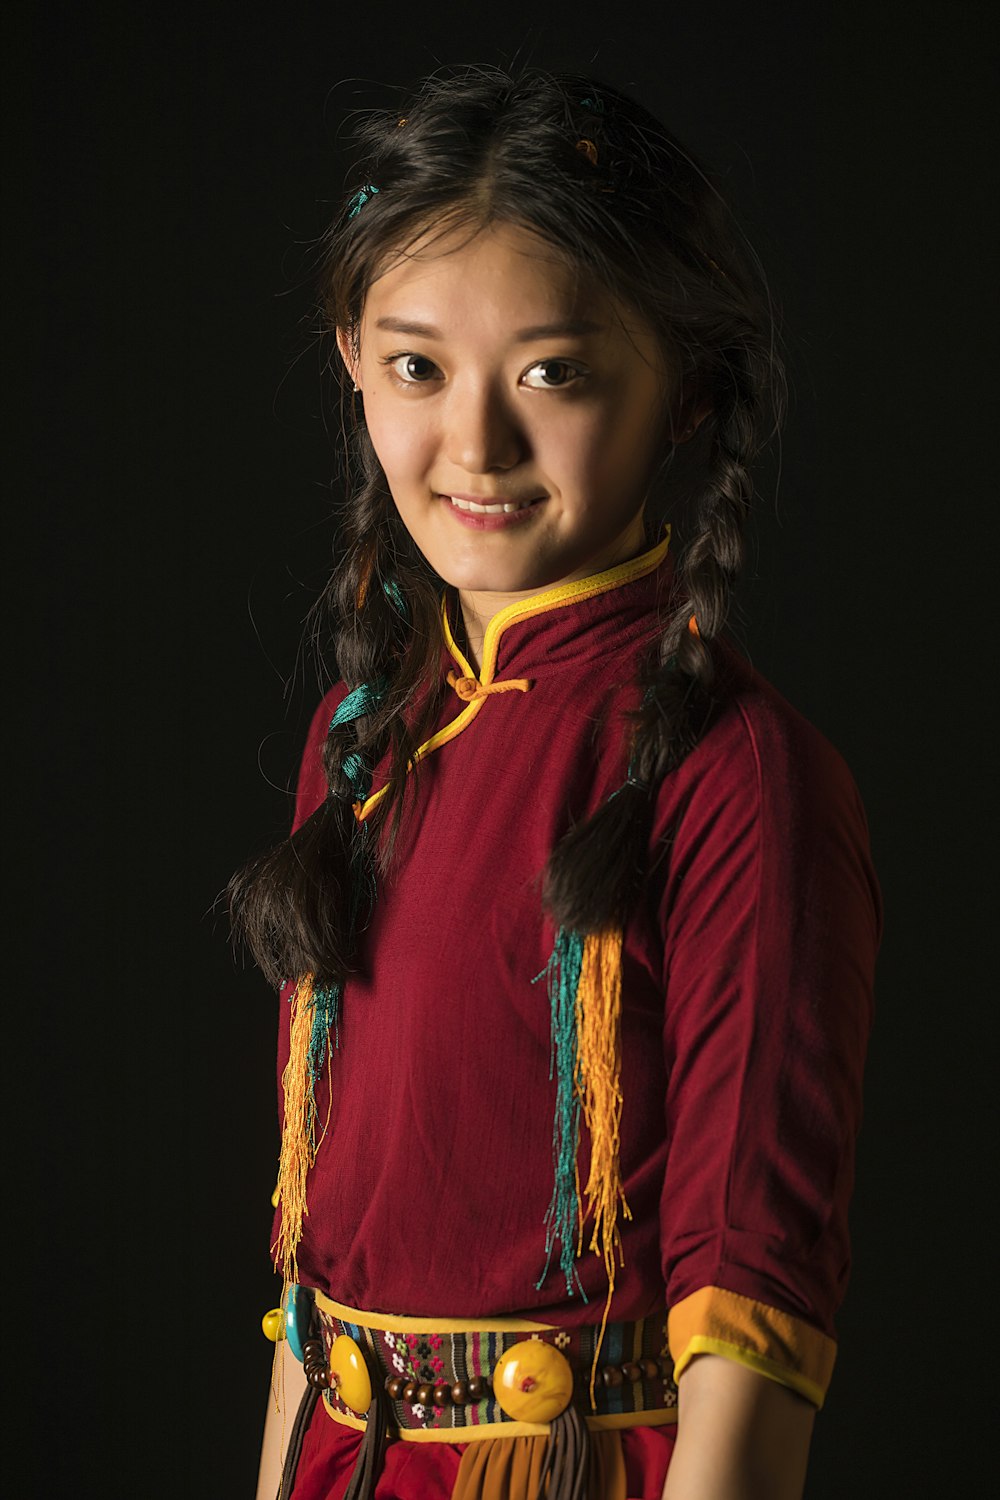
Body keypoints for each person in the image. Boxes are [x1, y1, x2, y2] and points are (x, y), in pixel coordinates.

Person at [232, 63, 882, 1500]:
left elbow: (752, 1291)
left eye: (554, 373)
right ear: (350, 355)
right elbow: (313, 1260)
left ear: (686, 384)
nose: (475, 445)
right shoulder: (359, 744)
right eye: (417, 367)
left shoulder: (737, 775)